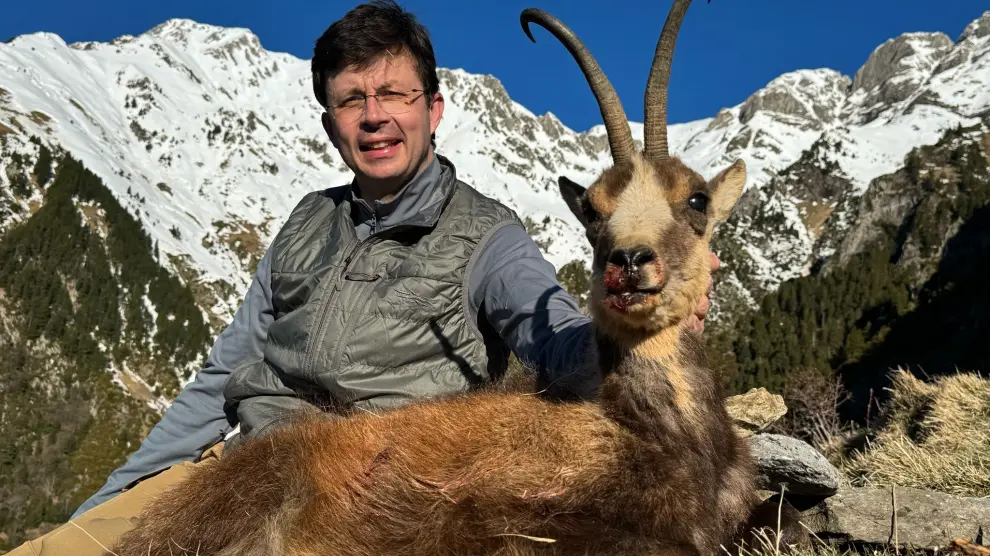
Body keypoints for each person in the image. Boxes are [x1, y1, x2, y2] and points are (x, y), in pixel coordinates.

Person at [8, 1, 717, 553]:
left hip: (356, 505)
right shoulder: (305, 223)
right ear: (330, 123)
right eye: (352, 100)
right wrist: (107, 504)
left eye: (393, 94)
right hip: (230, 472)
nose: (374, 116)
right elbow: (223, 374)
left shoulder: (486, 238)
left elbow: (559, 338)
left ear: (432, 109)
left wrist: (645, 307)